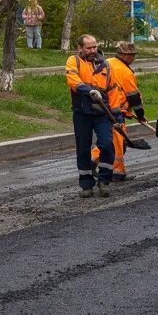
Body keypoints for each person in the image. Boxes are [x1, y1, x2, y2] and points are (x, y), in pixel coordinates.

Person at [65, 34, 116, 198]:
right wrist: (88, 90)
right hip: (82, 112)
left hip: (102, 113)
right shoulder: (74, 61)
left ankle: (104, 181)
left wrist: (117, 114)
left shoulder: (105, 65)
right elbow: (72, 79)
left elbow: (113, 89)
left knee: (107, 144)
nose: (93, 50)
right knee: (83, 148)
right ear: (80, 48)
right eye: (89, 47)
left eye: (94, 46)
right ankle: (86, 184)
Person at [92, 41, 147, 182]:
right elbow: (133, 96)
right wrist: (140, 115)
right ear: (123, 55)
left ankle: (94, 161)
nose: (133, 58)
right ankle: (116, 172)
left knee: (108, 139)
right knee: (117, 142)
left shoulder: (108, 62)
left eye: (133, 55)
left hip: (102, 106)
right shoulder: (125, 72)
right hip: (116, 110)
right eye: (130, 55)